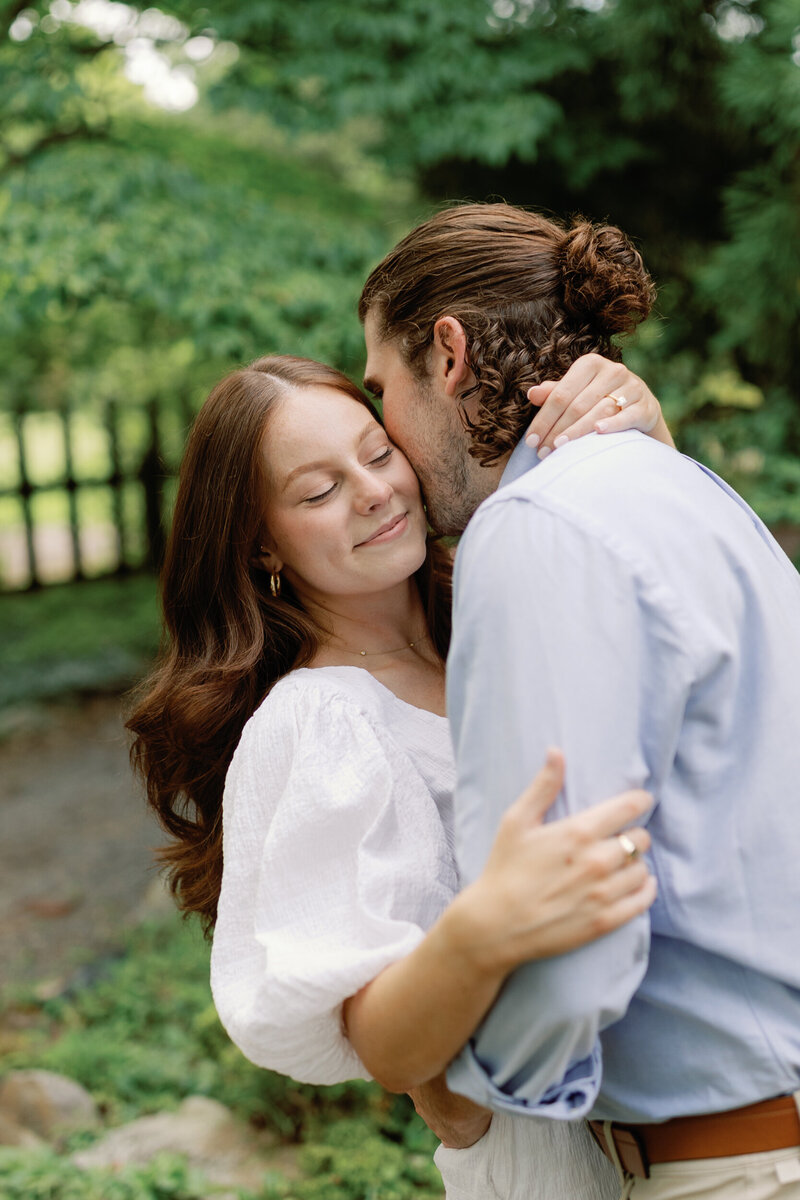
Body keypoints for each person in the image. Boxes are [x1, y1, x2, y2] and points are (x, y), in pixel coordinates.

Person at [126, 352, 672, 1200]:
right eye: (317, 491)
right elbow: (397, 1050)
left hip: (705, 1104)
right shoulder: (323, 721)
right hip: (556, 1158)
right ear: (261, 539)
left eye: (377, 454)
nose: (374, 492)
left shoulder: (502, 610)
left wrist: (646, 441)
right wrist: (483, 956)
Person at [358, 202, 800, 1199]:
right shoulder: (679, 486)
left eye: (378, 387)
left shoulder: (535, 529)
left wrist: (459, 1093)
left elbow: (569, 929)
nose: (379, 435)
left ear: (450, 353)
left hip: (739, 1165)